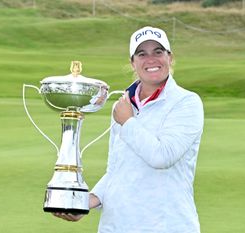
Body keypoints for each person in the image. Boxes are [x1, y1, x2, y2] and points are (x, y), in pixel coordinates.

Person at [54, 26, 204, 233]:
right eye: (142, 54)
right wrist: (90, 200)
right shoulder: (124, 105)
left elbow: (162, 156)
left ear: (170, 58)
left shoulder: (186, 102)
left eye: (158, 52)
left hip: (167, 225)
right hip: (116, 226)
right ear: (133, 62)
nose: (150, 59)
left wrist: (127, 122)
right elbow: (119, 169)